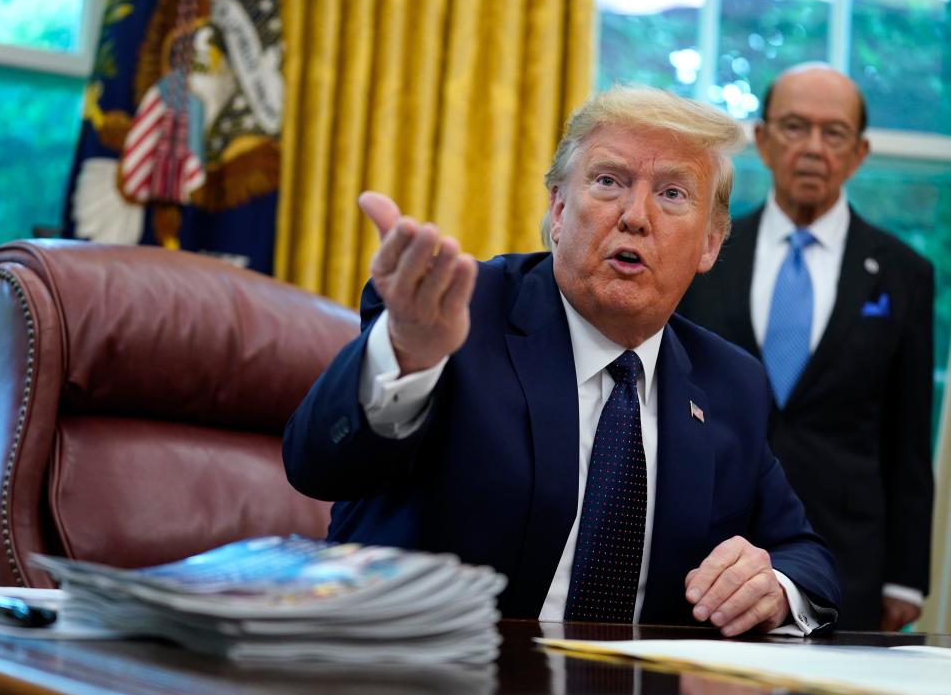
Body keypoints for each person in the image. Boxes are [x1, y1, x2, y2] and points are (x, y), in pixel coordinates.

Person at [284, 85, 840, 636]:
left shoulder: (729, 382)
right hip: (436, 676)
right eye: (608, 181)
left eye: (672, 194)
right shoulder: (450, 314)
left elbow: (803, 554)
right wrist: (406, 355)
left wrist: (773, 588)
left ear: (710, 245)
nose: (635, 216)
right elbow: (317, 465)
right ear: (557, 209)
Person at [677, 64, 934, 631]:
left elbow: (908, 438)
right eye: (794, 127)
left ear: (859, 152)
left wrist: (905, 576)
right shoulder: (701, 255)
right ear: (763, 142)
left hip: (851, 557)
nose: (813, 148)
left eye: (834, 132)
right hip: (709, 554)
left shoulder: (902, 273)